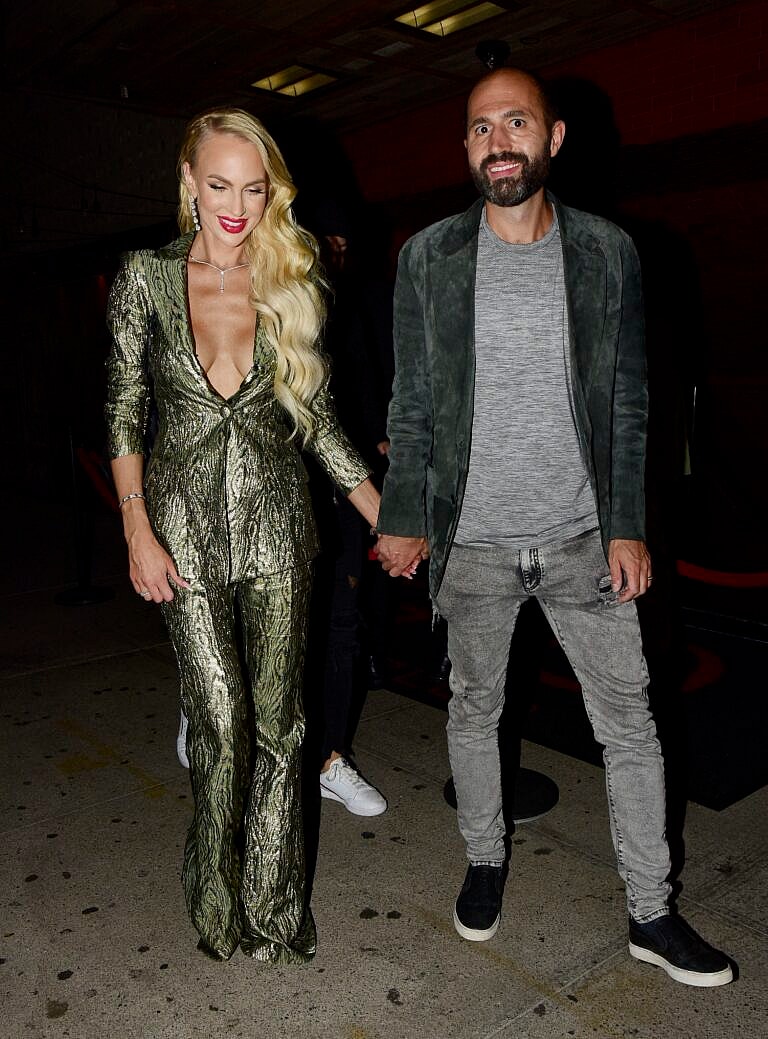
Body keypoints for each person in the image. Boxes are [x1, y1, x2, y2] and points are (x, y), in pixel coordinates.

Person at [374, 68, 733, 988]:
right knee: (474, 710)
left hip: (583, 537)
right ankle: (486, 858)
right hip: (475, 542)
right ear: (465, 147)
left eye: (517, 123)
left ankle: (652, 911)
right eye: (481, 127)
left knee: (632, 724)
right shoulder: (428, 258)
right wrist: (408, 518)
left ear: (554, 138)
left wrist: (629, 524)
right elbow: (412, 401)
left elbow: (627, 396)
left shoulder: (607, 251)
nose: (499, 141)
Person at [105, 108, 380, 963]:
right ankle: (216, 898)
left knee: (283, 726)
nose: (236, 205)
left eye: (253, 189)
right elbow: (123, 409)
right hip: (181, 532)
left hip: (278, 530)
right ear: (189, 182)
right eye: (219, 184)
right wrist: (135, 528)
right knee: (220, 723)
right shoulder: (144, 279)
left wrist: (386, 512)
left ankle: (275, 908)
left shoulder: (289, 280)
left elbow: (321, 419)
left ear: (273, 193)